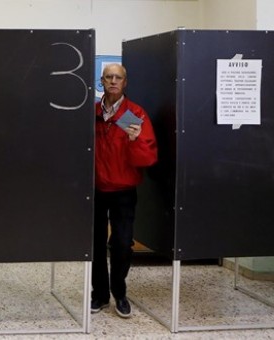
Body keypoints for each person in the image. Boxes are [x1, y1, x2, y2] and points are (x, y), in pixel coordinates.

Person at [91, 64, 157, 317]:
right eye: (108, 77)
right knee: (95, 244)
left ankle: (119, 292)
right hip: (95, 190)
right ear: (102, 81)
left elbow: (147, 159)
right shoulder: (94, 112)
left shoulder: (133, 114)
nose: (113, 81)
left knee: (121, 243)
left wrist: (135, 140)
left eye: (118, 77)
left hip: (123, 191)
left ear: (125, 82)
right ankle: (99, 295)